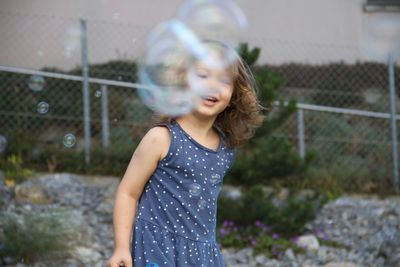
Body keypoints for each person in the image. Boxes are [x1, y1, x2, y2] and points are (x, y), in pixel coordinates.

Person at [107, 45, 264, 267]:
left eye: (224, 80)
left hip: (202, 254)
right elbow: (128, 193)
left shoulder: (225, 149)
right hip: (157, 249)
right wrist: (121, 248)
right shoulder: (161, 138)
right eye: (202, 76)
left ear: (234, 95)